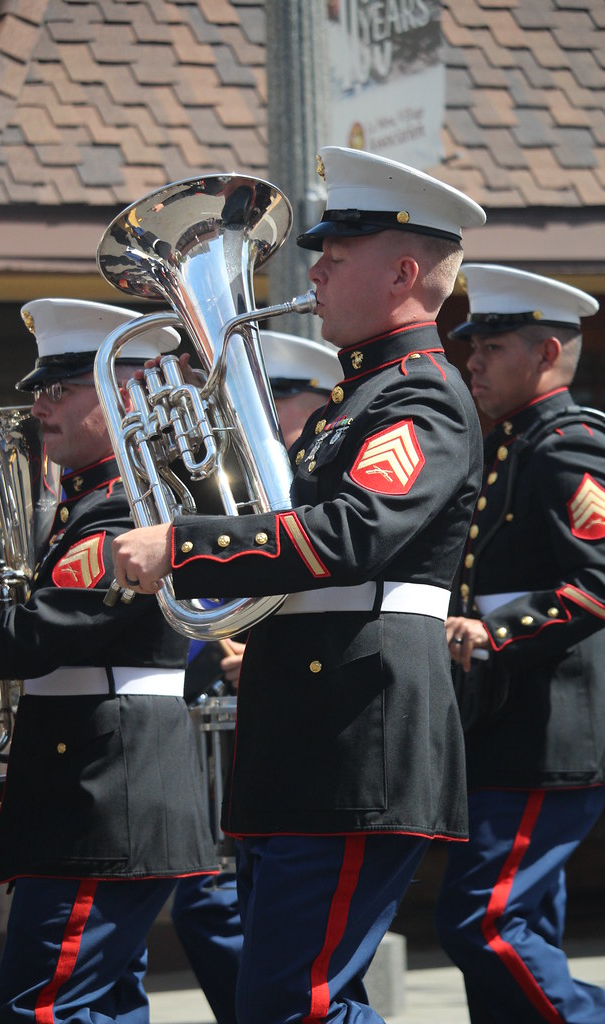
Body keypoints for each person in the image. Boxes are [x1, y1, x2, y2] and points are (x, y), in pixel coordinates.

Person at [111, 145, 487, 1024]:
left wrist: (184, 542)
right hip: (315, 728)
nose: (312, 270)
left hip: (359, 730)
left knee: (292, 1004)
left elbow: (352, 534)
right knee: (285, 1001)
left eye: (336, 255)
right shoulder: (348, 406)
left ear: (402, 271)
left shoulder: (419, 398)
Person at [0, 297, 217, 1024]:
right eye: (39, 390)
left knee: (40, 1010)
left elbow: (43, 634)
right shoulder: (92, 503)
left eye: (61, 389)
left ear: (121, 396)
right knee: (100, 1008)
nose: (40, 406)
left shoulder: (122, 507)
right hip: (93, 783)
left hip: (101, 791)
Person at [435, 264, 605, 1023]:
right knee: (522, 927)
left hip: (545, 727)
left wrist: (493, 632)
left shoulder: (566, 445)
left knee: (485, 924)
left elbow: (598, 582)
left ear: (545, 353)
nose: (471, 358)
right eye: (470, 344)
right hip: (505, 720)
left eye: (492, 345)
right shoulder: (510, 444)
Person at [171, 329, 341, 1024]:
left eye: (270, 397)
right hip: (245, 725)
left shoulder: (320, 482)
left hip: (309, 730)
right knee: (220, 913)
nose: (249, 414)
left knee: (267, 948)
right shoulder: (245, 489)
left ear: (315, 403)